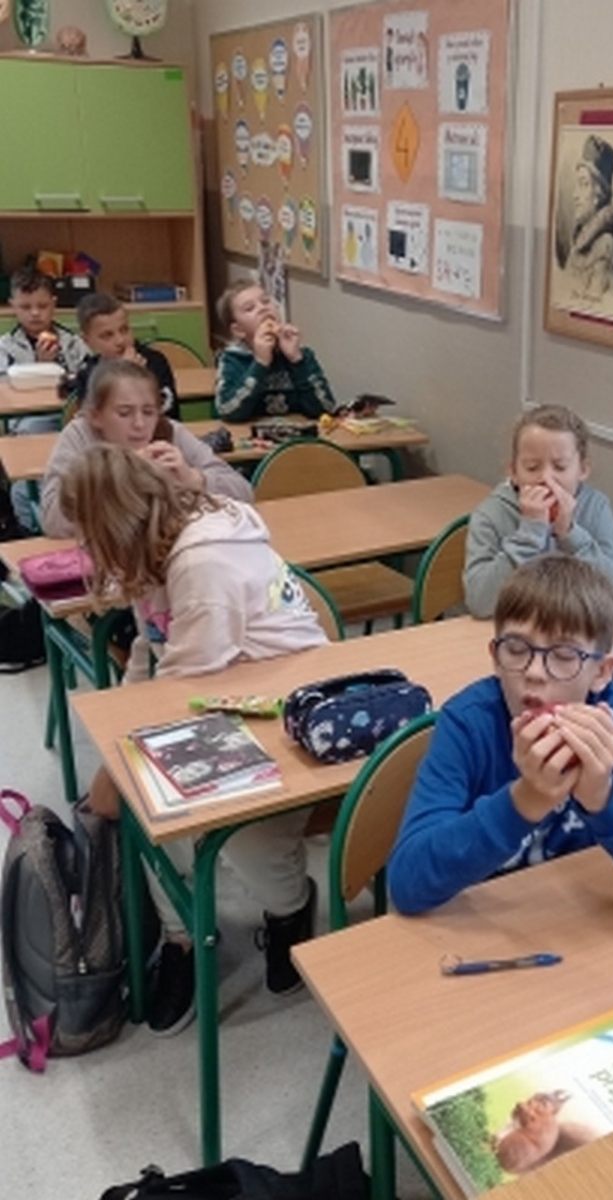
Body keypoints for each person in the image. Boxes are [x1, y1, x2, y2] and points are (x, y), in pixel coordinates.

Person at [59, 443, 328, 1034]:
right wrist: (117, 731)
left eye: (91, 537)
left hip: (279, 714)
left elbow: (182, 684)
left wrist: (116, 764)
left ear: (120, 524)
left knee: (248, 846)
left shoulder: (203, 562)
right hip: (218, 695)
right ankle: (182, 939)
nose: (86, 550)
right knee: (149, 811)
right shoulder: (153, 545)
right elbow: (151, 648)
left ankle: (290, 909)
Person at [388, 555, 613, 915]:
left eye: (564, 655)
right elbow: (407, 886)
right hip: (487, 920)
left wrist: (604, 797)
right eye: (516, 649)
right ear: (495, 657)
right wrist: (524, 801)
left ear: (602, 672)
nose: (535, 672)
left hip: (577, 920)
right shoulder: (467, 723)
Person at [40, 358, 252, 538]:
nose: (140, 424)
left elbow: (244, 492)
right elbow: (53, 520)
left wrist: (193, 479)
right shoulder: (79, 436)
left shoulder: (169, 431)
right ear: (96, 416)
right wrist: (124, 478)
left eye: (149, 412)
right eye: (124, 413)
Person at [463, 404, 613, 619]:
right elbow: (479, 601)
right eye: (532, 467)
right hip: (517, 623)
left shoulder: (596, 507)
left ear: (583, 469)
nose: (546, 478)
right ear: (513, 471)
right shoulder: (491, 514)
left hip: (574, 622)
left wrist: (570, 534)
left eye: (560, 467)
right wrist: (529, 534)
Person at [0, 267, 89, 529]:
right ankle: (30, 526)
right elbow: (5, 390)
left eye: (42, 306)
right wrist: (39, 366)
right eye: (26, 307)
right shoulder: (5, 347)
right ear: (13, 306)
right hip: (25, 425)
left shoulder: (72, 343)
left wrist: (56, 367)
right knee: (26, 483)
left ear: (54, 305)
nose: (35, 313)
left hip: (69, 419)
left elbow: (87, 378)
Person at [213, 280, 335, 423]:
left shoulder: (301, 353)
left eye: (266, 301)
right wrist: (260, 364)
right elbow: (228, 411)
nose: (262, 308)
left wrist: (296, 360)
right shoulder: (232, 359)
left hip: (296, 432)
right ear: (238, 330)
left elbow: (325, 408)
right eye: (250, 308)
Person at [70, 292, 180, 417]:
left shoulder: (155, 361)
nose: (120, 341)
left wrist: (138, 379)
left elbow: (167, 412)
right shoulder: (87, 374)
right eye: (107, 335)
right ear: (87, 341)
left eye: (124, 330)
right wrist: (122, 378)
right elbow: (93, 420)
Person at [565, 134, 613, 301]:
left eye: (584, 184)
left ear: (598, 194)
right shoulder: (580, 240)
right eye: (577, 184)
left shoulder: (605, 245)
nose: (575, 195)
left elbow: (597, 303)